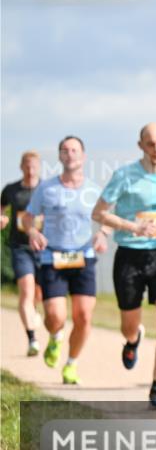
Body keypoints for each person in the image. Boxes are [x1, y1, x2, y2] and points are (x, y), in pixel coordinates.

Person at [92, 123, 156, 409]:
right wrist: (132, 226)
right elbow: (99, 213)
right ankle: (133, 339)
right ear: (141, 146)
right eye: (151, 144)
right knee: (128, 325)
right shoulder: (124, 175)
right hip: (129, 255)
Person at [23, 136, 109, 384]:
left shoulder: (94, 190)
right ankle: (55, 336)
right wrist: (33, 232)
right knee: (55, 317)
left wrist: (103, 234)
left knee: (83, 317)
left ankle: (71, 364)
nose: (70, 154)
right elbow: (29, 218)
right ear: (60, 157)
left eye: (74, 150)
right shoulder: (46, 188)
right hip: (54, 257)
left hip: (84, 257)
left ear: (83, 156)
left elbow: (107, 218)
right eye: (65, 150)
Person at [1, 151, 43, 354]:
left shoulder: (46, 189)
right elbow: (1, 209)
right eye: (27, 165)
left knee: (39, 294)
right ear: (21, 166)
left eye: (33, 165)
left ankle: (34, 313)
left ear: (39, 167)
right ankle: (32, 339)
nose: (30, 168)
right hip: (20, 247)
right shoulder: (11, 190)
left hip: (43, 248)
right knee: (26, 290)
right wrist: (2, 218)